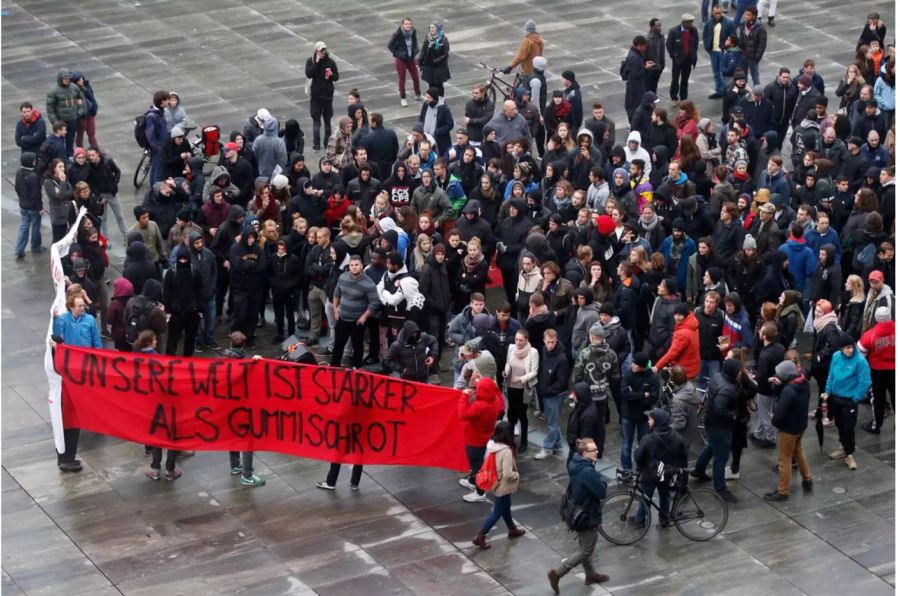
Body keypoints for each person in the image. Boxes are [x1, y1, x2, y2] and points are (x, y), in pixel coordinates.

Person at [547, 437, 609, 593]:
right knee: (586, 550)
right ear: (584, 453)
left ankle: (591, 575)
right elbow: (602, 491)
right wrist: (601, 480)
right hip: (587, 515)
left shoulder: (575, 464)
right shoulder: (587, 471)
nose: (597, 451)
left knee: (584, 545)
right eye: (593, 450)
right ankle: (558, 573)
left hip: (576, 512)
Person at [50, 293, 102, 472]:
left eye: (83, 305)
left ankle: (66, 457)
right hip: (71, 370)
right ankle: (66, 458)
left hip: (86, 367)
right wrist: (55, 320)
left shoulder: (89, 320)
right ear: (71, 307)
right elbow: (57, 335)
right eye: (79, 306)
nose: (83, 308)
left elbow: (97, 342)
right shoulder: (64, 320)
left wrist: (99, 361)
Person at [691, 358, 740, 502]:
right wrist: (733, 415)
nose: (739, 374)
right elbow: (720, 408)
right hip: (721, 426)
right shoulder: (728, 388)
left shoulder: (717, 376)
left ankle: (699, 470)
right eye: (738, 372)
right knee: (721, 457)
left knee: (712, 445)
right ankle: (720, 488)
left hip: (709, 421)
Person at [764, 360, 814, 501]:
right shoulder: (804, 384)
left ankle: (783, 491)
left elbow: (779, 414)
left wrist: (775, 423)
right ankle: (807, 479)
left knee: (784, 459)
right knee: (798, 451)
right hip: (800, 425)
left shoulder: (788, 391)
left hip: (788, 429)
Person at [472, 421, 526, 549]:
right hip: (503, 485)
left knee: (505, 507)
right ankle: (480, 536)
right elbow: (507, 473)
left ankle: (512, 529)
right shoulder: (506, 451)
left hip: (496, 482)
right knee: (498, 511)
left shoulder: (492, 445)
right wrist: (517, 475)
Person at [633, 408, 688, 527]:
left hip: (650, 474)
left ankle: (640, 519)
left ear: (656, 421)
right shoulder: (677, 437)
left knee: (645, 497)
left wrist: (640, 467)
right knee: (665, 496)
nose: (648, 421)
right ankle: (664, 519)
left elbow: (638, 456)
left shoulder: (647, 439)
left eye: (650, 419)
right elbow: (683, 458)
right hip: (667, 473)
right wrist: (682, 476)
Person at [824, 333, 872, 471]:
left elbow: (865, 382)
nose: (851, 350)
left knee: (848, 428)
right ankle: (842, 447)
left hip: (850, 400)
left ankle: (849, 454)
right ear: (841, 348)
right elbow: (831, 375)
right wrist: (827, 391)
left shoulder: (860, 361)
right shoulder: (836, 357)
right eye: (847, 347)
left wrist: (856, 398)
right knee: (839, 424)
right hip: (836, 397)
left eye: (852, 347)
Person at [458, 376, 505, 503]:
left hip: (474, 440)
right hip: (486, 437)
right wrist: (487, 383)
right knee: (478, 465)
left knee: (477, 467)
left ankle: (480, 492)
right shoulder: (495, 400)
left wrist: (464, 396)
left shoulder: (479, 406)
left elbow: (462, 414)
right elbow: (500, 399)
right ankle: (472, 482)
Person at [331, 254, 380, 368]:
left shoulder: (368, 283)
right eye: (351, 265)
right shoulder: (343, 277)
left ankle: (356, 368)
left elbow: (374, 302)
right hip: (342, 318)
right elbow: (336, 293)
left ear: (362, 266)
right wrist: (335, 310)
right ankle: (334, 367)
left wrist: (364, 317)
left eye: (356, 265)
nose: (354, 267)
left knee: (357, 347)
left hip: (357, 321)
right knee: (338, 345)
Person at [534, 329, 570, 460]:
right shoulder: (544, 350)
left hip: (554, 394)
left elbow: (562, 382)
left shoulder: (562, 359)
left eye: (552, 342)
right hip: (546, 391)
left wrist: (547, 390)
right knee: (552, 420)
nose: (550, 345)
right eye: (548, 342)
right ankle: (558, 444)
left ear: (556, 340)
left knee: (552, 423)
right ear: (544, 340)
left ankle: (548, 448)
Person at [858, 306, 895, 433]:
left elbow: (860, 354)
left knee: (878, 399)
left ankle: (876, 425)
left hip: (877, 371)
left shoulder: (870, 335)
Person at [750, 321, 786, 448]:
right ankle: (758, 433)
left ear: (765, 336)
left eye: (761, 331)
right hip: (776, 387)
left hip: (764, 389)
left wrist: (753, 376)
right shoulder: (780, 348)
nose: (759, 332)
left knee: (765, 414)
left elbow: (762, 376)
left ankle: (771, 438)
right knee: (764, 411)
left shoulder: (764, 355)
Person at [504, 329, 539, 453]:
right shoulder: (511, 348)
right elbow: (508, 363)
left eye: (521, 340)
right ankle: (509, 439)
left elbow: (534, 372)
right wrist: (506, 371)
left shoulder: (533, 352)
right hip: (512, 387)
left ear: (526, 340)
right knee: (511, 414)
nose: (518, 342)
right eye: (516, 340)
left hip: (524, 389)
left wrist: (520, 379)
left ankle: (524, 441)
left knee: (522, 415)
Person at [162, 250, 201, 356]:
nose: (183, 261)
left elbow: (200, 292)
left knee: (190, 339)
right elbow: (166, 293)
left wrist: (199, 310)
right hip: (175, 313)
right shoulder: (171, 273)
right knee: (172, 339)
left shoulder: (195, 272)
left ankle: (187, 360)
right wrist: (168, 311)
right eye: (181, 259)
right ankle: (170, 359)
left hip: (191, 312)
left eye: (185, 259)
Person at [306, 41, 340, 151]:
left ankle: (327, 143)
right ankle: (316, 143)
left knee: (327, 121)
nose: (323, 52)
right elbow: (309, 74)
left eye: (324, 50)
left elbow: (336, 77)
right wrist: (316, 63)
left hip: (327, 96)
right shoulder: (310, 61)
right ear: (316, 51)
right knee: (316, 121)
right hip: (316, 96)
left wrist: (331, 75)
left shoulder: (330, 62)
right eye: (320, 50)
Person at [45, 68, 84, 155]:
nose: (67, 80)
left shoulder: (74, 88)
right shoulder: (53, 91)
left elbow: (81, 99)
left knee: (70, 138)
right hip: (61, 121)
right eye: (65, 79)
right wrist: (55, 122)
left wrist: (79, 112)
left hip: (72, 119)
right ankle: (61, 155)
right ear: (60, 78)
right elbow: (50, 108)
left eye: (69, 79)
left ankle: (69, 154)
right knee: (59, 140)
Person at [15, 152, 44, 259]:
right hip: (33, 207)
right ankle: (36, 246)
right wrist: (40, 207)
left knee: (24, 226)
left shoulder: (19, 172)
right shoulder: (33, 176)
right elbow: (36, 195)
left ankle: (19, 249)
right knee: (35, 226)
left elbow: (17, 188)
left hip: (23, 205)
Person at [666, 14, 700, 102]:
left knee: (685, 80)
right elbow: (669, 45)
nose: (691, 24)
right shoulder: (674, 31)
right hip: (677, 60)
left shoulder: (693, 30)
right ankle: (674, 98)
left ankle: (683, 97)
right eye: (689, 22)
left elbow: (695, 43)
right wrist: (674, 56)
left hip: (688, 59)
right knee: (675, 79)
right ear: (684, 22)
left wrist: (693, 54)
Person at [418, 21, 450, 97]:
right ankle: (433, 99)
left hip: (439, 67)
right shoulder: (428, 38)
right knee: (431, 84)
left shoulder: (443, 39)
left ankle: (441, 100)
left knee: (439, 85)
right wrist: (419, 62)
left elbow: (445, 54)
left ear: (438, 29)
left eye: (433, 28)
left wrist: (436, 61)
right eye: (430, 27)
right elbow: (423, 50)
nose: (431, 29)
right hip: (429, 66)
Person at [624, 36, 651, 120]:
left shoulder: (635, 53)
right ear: (639, 45)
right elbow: (635, 74)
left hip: (635, 85)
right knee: (635, 105)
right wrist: (645, 68)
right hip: (636, 87)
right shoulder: (634, 57)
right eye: (644, 46)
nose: (645, 48)